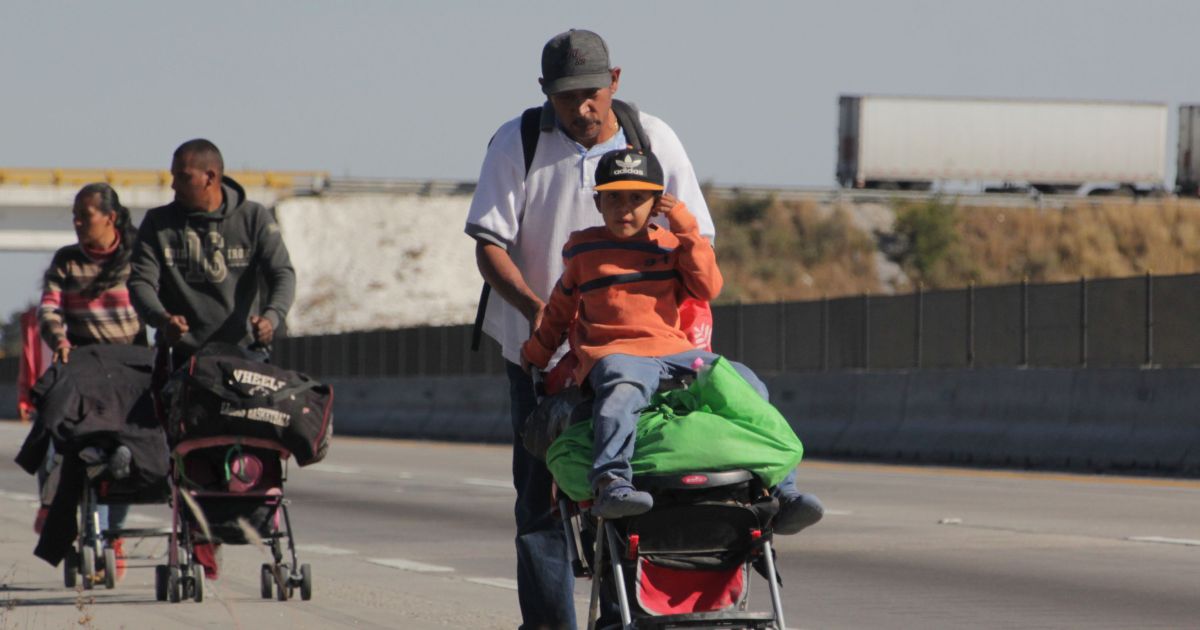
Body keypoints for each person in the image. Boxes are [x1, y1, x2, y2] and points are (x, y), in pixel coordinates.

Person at [465, 29, 717, 629]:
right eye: (565, 96)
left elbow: (696, 240)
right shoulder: (517, 141)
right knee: (541, 498)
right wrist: (538, 313)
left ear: (615, 82)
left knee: (631, 487)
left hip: (638, 352)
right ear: (545, 93)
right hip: (541, 353)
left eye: (591, 94)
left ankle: (619, 619)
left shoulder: (652, 138)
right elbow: (489, 244)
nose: (581, 108)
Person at [522, 149, 825, 526]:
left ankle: (783, 491)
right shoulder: (584, 248)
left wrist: (685, 226)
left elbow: (708, 286)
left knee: (745, 384)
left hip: (677, 353)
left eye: (637, 198)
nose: (625, 208)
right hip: (616, 353)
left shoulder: (669, 244)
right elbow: (559, 310)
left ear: (656, 203)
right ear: (598, 202)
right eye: (614, 197)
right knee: (621, 389)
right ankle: (612, 481)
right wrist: (537, 352)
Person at [128, 138, 296, 579]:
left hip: (244, 359)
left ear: (210, 177)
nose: (172, 183)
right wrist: (160, 319)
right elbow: (140, 282)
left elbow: (282, 273)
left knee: (251, 448)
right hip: (186, 361)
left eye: (181, 176)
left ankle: (259, 523)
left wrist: (272, 318)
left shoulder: (254, 218)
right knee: (189, 453)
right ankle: (201, 539)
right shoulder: (159, 224)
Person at [36, 182, 146, 579]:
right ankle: (51, 504)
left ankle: (113, 533)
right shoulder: (66, 261)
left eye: (86, 216)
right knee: (49, 428)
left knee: (129, 453)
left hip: (131, 369)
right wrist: (59, 340)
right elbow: (49, 309)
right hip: (81, 365)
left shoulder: (138, 258)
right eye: (75, 217)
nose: (78, 223)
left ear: (110, 218)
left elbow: (157, 303)